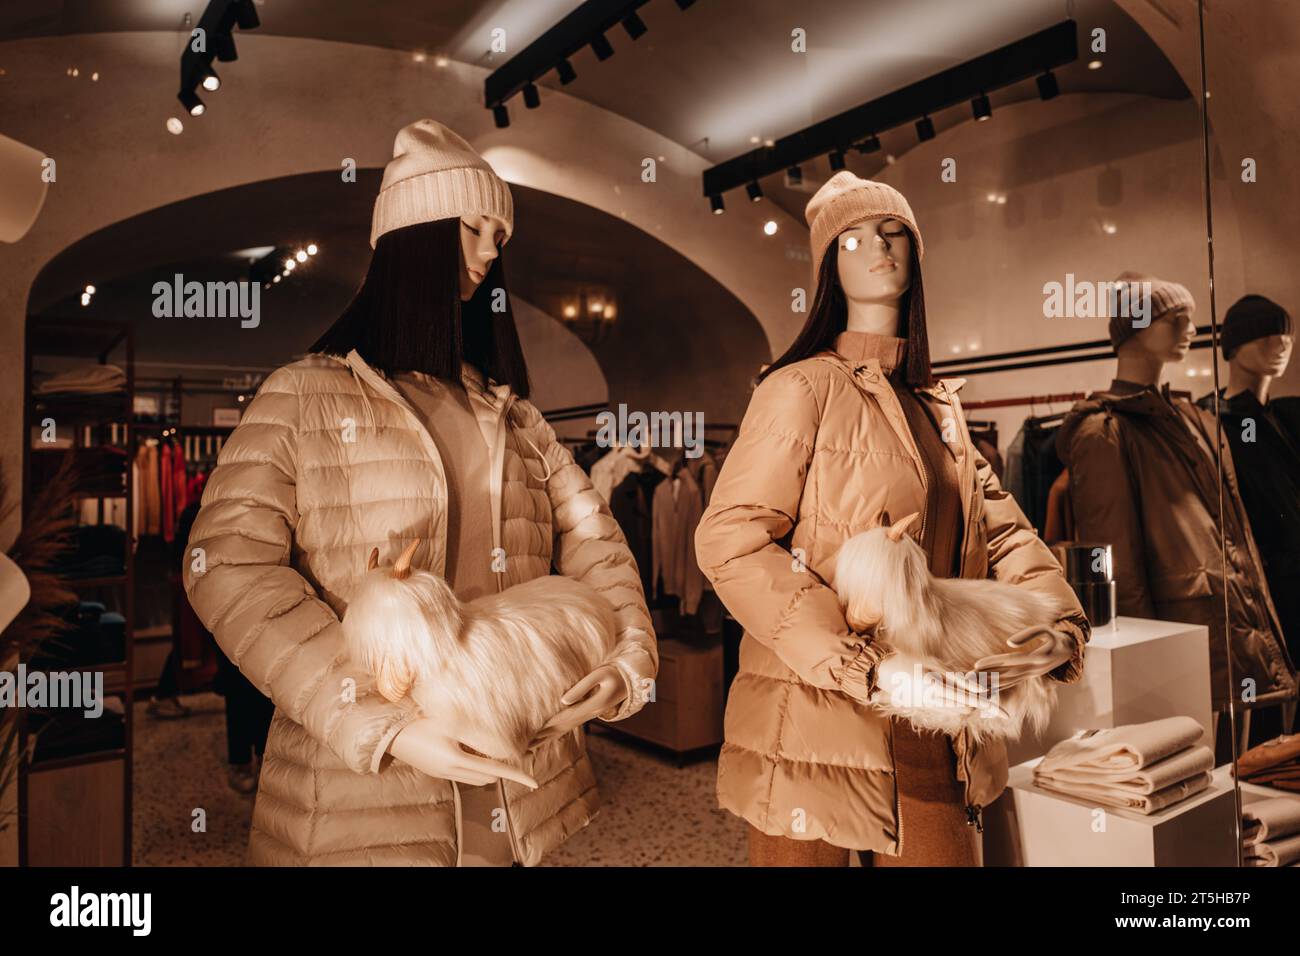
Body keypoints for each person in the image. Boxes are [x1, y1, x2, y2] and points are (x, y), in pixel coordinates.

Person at [183, 120, 656, 866]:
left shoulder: (518, 418)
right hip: (364, 790)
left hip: (515, 778)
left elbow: (597, 542)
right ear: (414, 234)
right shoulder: (305, 396)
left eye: (501, 231)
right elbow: (230, 568)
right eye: (473, 226)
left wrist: (627, 662)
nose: (492, 249)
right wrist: (385, 723)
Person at [695, 172, 1089, 867]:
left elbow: (1005, 531)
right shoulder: (800, 387)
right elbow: (730, 539)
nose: (880, 247)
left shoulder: (941, 408)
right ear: (829, 262)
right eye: (856, 235)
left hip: (937, 709)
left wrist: (1058, 624)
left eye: (895, 231)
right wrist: (855, 665)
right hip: (811, 715)